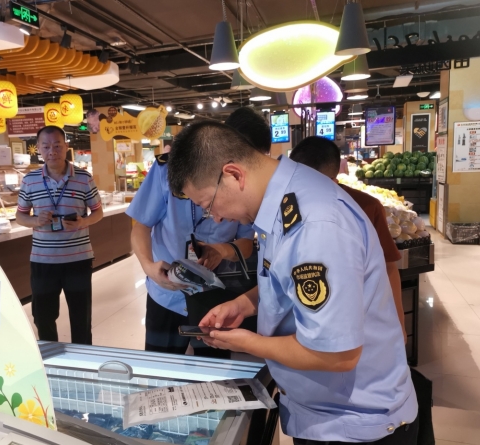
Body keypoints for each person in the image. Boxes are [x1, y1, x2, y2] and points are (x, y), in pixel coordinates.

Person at [167, 121, 418, 444]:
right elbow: (285, 277)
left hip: (352, 424)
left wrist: (245, 343)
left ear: (233, 175)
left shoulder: (315, 224)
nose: (215, 217)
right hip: (324, 412)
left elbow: (336, 355)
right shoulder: (286, 195)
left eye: (208, 204)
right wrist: (243, 304)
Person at [126, 109, 269, 356]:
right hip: (166, 293)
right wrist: (149, 267)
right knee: (160, 366)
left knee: (212, 369)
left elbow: (247, 243)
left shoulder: (245, 186)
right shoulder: (167, 169)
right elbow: (141, 225)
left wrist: (221, 251)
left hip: (214, 296)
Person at [289, 136, 406, 341]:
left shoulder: (366, 207)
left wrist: (399, 324)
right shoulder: (288, 208)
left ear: (333, 180)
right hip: (308, 319)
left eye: (311, 186)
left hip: (361, 317)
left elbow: (388, 266)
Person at [16, 126, 103, 345]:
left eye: (57, 145)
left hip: (78, 259)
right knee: (43, 317)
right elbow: (20, 216)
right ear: (39, 149)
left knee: (81, 317)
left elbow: (98, 212)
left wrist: (83, 222)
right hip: (43, 261)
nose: (52, 151)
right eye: (46, 146)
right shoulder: (30, 180)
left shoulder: (84, 178)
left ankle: (83, 358)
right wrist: (36, 221)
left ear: (66, 147)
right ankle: (51, 357)